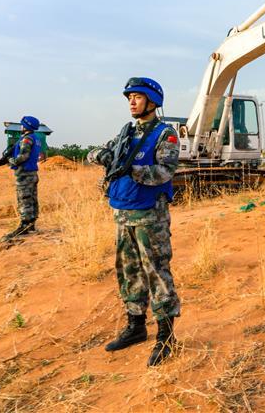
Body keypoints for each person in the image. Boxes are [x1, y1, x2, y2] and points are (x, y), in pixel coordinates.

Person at [87, 77, 181, 367]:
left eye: (137, 97)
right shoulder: (125, 133)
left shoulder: (166, 135)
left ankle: (166, 337)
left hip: (149, 214)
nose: (131, 101)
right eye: (129, 97)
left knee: (156, 272)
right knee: (128, 271)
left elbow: (165, 171)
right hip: (122, 212)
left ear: (152, 102)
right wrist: (105, 156)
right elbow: (93, 154)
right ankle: (136, 326)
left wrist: (133, 170)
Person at [5, 115, 42, 239]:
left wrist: (11, 160)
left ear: (25, 126)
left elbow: (23, 157)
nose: (20, 127)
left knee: (24, 199)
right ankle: (31, 225)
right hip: (32, 173)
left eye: (22, 125)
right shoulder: (36, 139)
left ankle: (24, 226)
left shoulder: (26, 139)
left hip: (24, 174)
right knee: (32, 199)